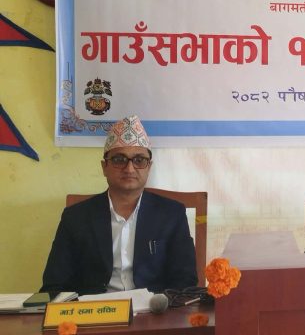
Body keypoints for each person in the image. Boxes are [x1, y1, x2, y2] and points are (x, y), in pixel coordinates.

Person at [41, 115, 197, 294]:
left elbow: (185, 280)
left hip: (154, 307)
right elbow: (54, 284)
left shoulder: (171, 214)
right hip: (93, 308)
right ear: (104, 167)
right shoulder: (76, 217)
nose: (129, 169)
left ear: (149, 167)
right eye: (119, 160)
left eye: (139, 160)